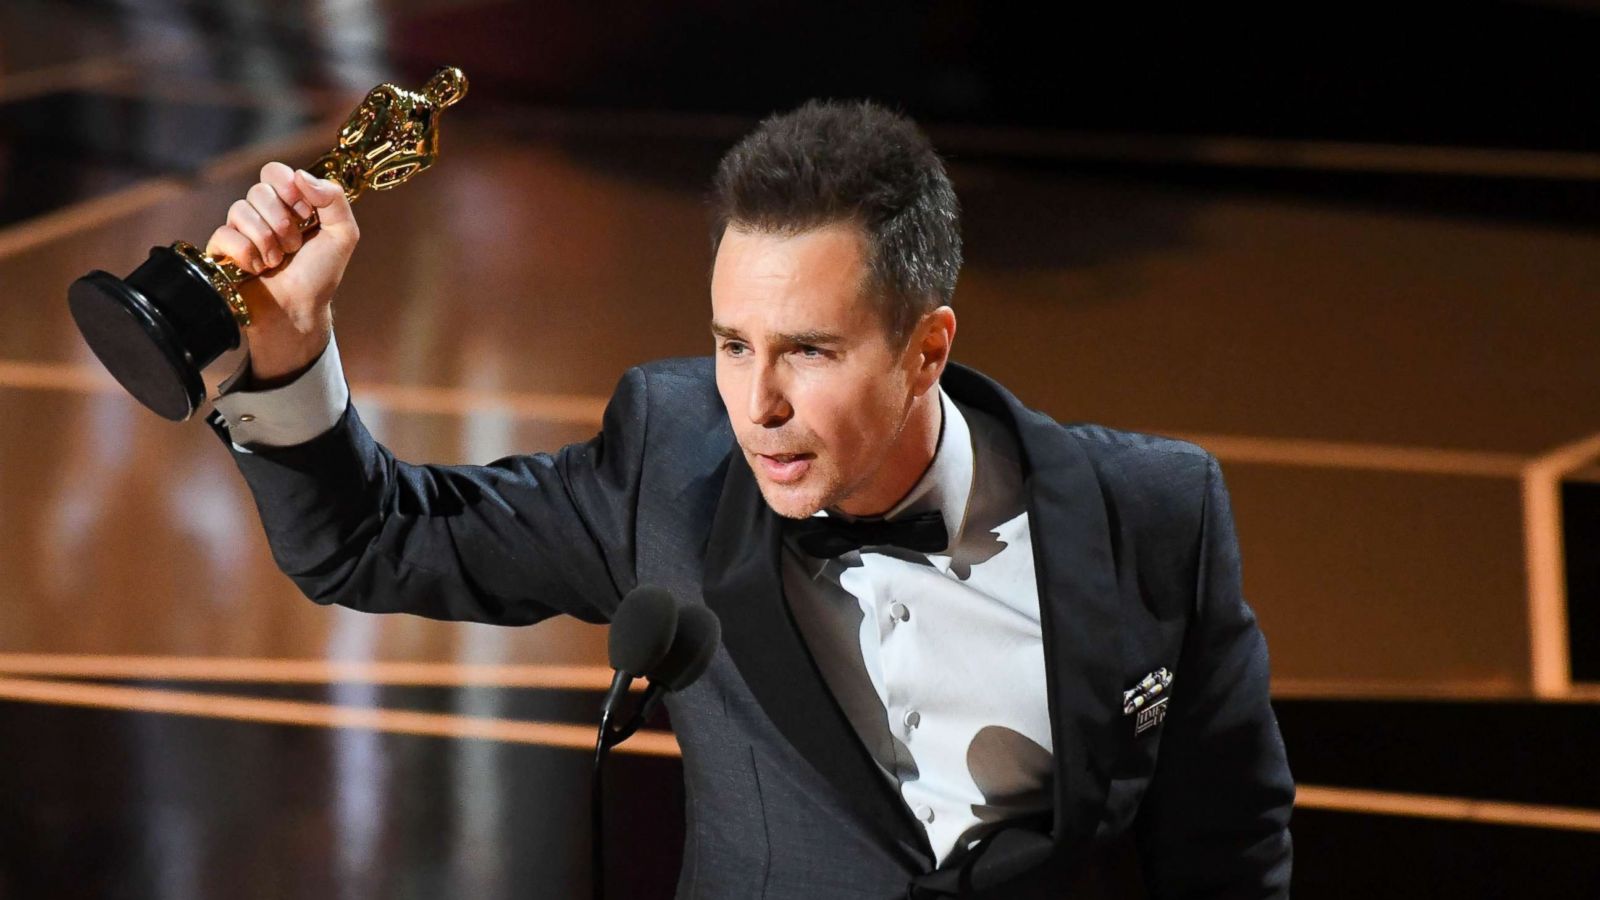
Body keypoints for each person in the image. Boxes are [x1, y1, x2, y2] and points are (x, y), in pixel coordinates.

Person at [202, 100, 1293, 898]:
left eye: (808, 351)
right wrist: (291, 354)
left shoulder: (1154, 512)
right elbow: (372, 541)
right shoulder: (669, 472)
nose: (756, 404)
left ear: (927, 349)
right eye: (732, 345)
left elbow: (1229, 841)